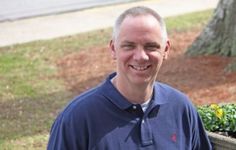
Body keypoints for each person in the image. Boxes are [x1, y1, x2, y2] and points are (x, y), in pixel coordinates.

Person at [47, 6, 212, 150]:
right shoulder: (76, 119)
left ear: (166, 49)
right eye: (129, 46)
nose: (140, 56)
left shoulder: (181, 108)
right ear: (113, 49)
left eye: (151, 46)